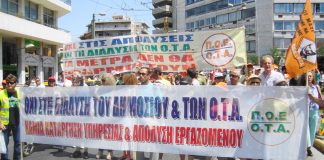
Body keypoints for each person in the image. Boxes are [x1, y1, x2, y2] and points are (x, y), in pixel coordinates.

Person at [0, 74, 21, 160]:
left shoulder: (20, 92)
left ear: (15, 83)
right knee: (4, 146)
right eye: (7, 83)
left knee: (18, 144)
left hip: (17, 123)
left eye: (11, 83)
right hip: (4, 124)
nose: (9, 84)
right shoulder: (1, 94)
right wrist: (0, 123)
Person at [306, 71, 323, 157]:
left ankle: (309, 147)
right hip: (304, 111)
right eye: (307, 76)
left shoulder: (316, 87)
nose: (308, 77)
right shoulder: (302, 87)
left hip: (314, 110)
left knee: (312, 130)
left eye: (310, 76)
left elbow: (320, 98)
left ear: (313, 77)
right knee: (306, 130)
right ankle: (307, 146)